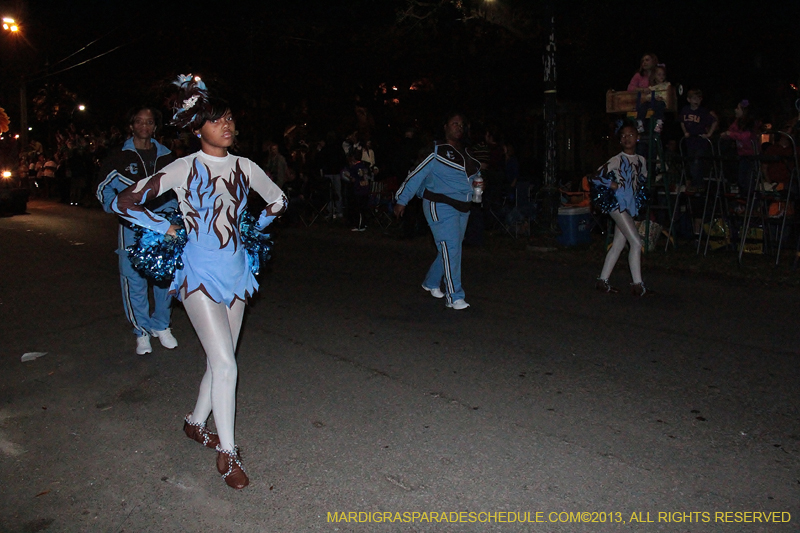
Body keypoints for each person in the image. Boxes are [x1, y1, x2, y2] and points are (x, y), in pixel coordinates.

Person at [111, 76, 287, 489]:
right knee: (226, 362)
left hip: (237, 273)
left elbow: (278, 200)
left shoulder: (247, 167)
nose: (227, 125)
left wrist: (254, 228)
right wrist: (166, 228)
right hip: (199, 274)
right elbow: (126, 201)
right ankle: (228, 453)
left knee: (218, 359)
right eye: (216, 119)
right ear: (197, 127)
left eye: (229, 118)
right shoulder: (183, 167)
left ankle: (194, 423)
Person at [97, 106, 178, 355]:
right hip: (132, 226)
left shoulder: (167, 157)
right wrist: (118, 207)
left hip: (164, 224)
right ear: (131, 125)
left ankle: (161, 325)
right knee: (134, 279)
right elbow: (103, 190)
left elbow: (181, 187)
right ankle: (141, 332)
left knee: (165, 276)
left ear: (155, 126)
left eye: (150, 121)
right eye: (139, 121)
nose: (145, 125)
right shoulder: (118, 157)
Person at [393, 112, 481, 310]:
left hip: (463, 207)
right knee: (451, 248)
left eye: (461, 124)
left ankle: (432, 282)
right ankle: (454, 295)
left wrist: (479, 185)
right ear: (445, 127)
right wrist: (402, 199)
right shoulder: (436, 150)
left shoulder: (468, 153)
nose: (458, 127)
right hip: (439, 204)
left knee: (450, 249)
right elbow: (415, 175)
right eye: (454, 123)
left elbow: (476, 176)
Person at [591, 120, 652, 296]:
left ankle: (602, 281)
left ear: (638, 138)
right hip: (617, 205)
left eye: (630, 135)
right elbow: (595, 176)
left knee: (618, 244)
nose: (627, 138)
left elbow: (642, 180)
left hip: (628, 206)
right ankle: (637, 285)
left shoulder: (641, 160)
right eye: (623, 135)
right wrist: (613, 185)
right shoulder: (617, 160)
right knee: (636, 242)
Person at [720, 100, 759, 199]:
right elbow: (731, 131)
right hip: (741, 155)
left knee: (749, 181)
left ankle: (750, 203)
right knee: (741, 180)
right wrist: (726, 135)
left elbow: (746, 136)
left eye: (738, 108)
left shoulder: (751, 123)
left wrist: (730, 134)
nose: (735, 110)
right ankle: (743, 202)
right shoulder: (737, 122)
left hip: (751, 156)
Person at [679, 89, 718, 188]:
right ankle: (695, 183)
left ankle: (698, 185)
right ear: (689, 99)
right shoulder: (685, 110)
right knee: (691, 162)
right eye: (694, 98)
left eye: (699, 99)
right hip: (690, 141)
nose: (697, 101)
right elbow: (682, 121)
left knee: (697, 162)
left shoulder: (703, 112)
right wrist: (685, 132)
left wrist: (709, 134)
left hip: (700, 141)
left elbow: (714, 121)